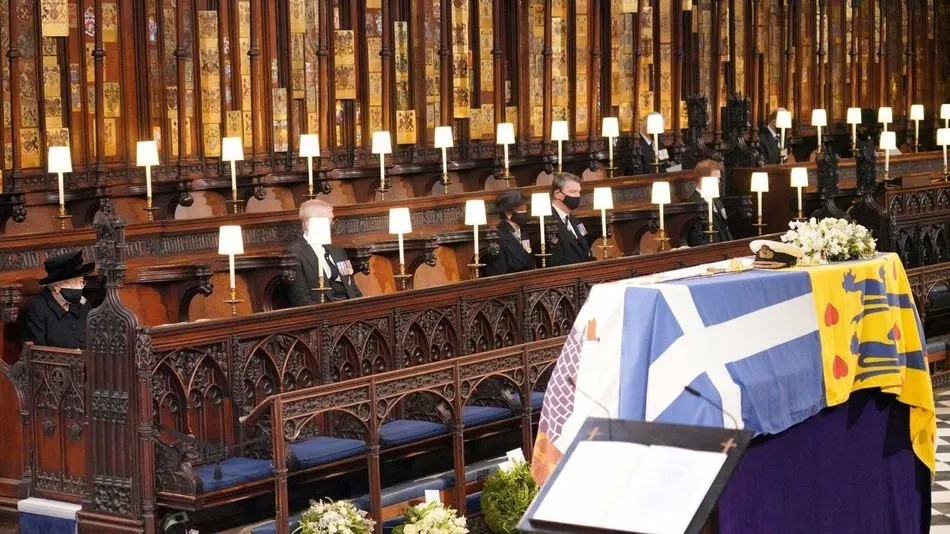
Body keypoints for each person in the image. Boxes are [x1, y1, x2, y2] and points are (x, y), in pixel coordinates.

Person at [283, 199, 362, 306]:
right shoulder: (294, 253)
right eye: (328, 219)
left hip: (349, 309)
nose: (331, 224)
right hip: (321, 312)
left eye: (331, 220)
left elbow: (351, 287)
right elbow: (300, 298)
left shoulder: (336, 250)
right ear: (308, 223)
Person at [20, 251, 95, 349]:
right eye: (73, 283)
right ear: (55, 286)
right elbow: (37, 353)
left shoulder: (84, 305)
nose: (79, 287)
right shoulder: (37, 308)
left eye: (81, 282)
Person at [484, 191, 535, 276]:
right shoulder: (498, 237)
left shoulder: (524, 232)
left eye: (526, 209)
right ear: (508, 213)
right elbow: (497, 272)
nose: (525, 213)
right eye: (521, 210)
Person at [549, 173, 594, 267]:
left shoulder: (575, 220)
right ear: (558, 194)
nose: (578, 196)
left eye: (579, 192)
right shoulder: (547, 221)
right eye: (573, 191)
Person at [686, 159, 734, 246]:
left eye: (719, 179)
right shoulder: (694, 204)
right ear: (702, 179)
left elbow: (726, 230)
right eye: (715, 179)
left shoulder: (717, 202)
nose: (718, 182)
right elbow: (696, 238)